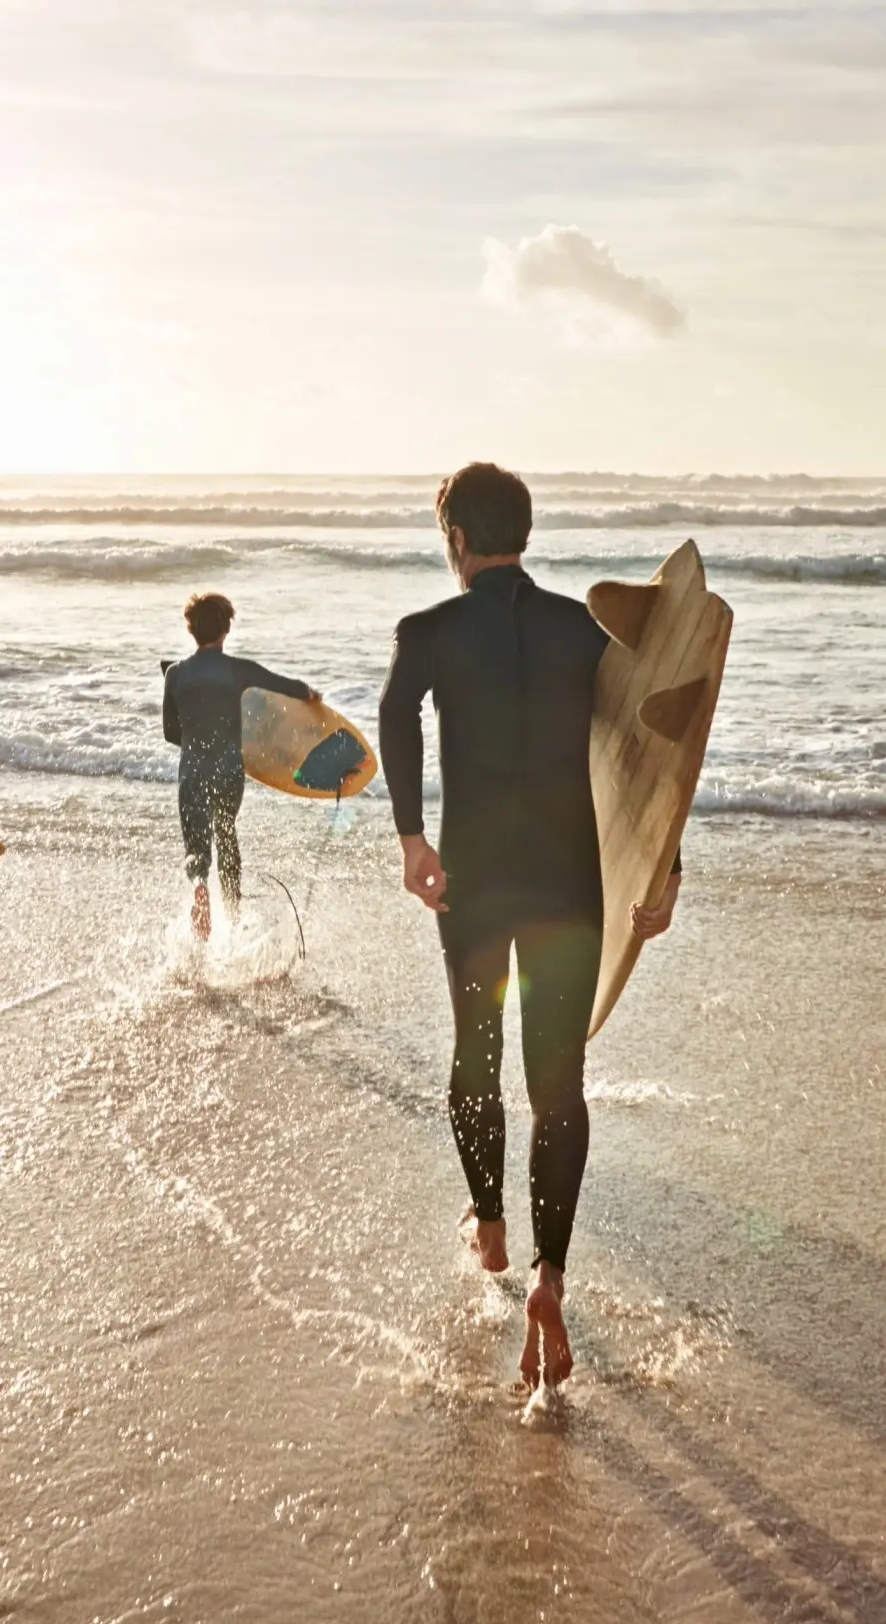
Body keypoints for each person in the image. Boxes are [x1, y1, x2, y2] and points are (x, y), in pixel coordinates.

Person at [377, 463, 680, 1389]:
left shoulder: (426, 632)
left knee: (476, 1050)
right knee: (559, 1083)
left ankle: (493, 1226)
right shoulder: (581, 633)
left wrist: (411, 841)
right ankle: (552, 1275)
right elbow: (656, 750)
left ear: (456, 541)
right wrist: (663, 869)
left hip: (474, 880)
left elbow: (396, 718)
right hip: (567, 884)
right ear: (526, 534)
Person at [161, 592, 320, 938]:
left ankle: (199, 885)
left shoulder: (174, 674)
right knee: (226, 833)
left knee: (196, 847)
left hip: (192, 770)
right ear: (227, 628)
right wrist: (310, 693)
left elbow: (171, 732)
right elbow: (285, 686)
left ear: (190, 629)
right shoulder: (239, 670)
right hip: (228, 768)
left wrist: (194, 741)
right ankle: (233, 917)